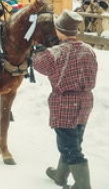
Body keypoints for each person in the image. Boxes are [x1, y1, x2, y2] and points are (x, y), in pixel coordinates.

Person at [32, 10, 97, 189]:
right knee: (73, 141)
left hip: (65, 103)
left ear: (60, 31)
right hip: (85, 102)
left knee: (69, 147)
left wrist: (40, 51)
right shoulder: (88, 50)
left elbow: (38, 65)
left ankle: (83, 186)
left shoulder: (57, 52)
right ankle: (60, 175)